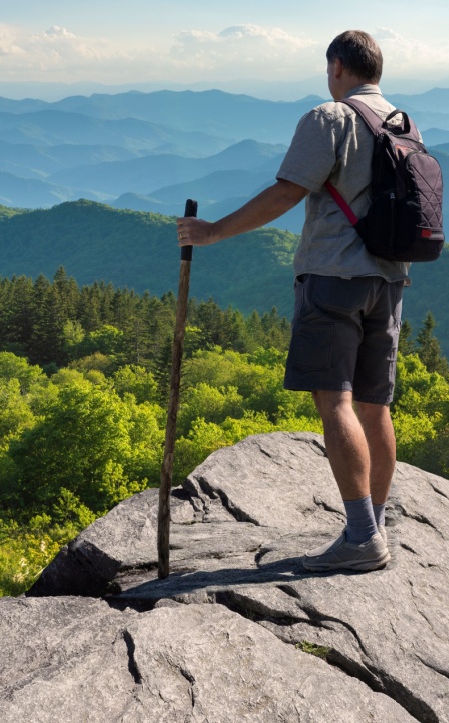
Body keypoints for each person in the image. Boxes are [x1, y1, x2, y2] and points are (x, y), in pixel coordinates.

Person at [177, 29, 410, 573]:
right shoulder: (402, 122)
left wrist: (212, 232)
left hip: (334, 276)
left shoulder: (329, 118)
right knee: (376, 405)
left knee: (336, 402)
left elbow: (287, 191)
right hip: (391, 279)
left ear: (336, 68)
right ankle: (374, 526)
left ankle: (360, 538)